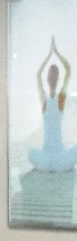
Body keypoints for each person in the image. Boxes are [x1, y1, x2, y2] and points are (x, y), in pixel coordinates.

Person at [27, 38, 76, 172]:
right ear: (49, 79)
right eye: (51, 76)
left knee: (31, 153)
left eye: (53, 76)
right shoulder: (54, 99)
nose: (52, 78)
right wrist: (51, 54)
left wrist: (53, 53)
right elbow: (67, 69)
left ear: (55, 79)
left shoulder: (55, 99)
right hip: (58, 160)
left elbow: (40, 74)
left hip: (47, 161)